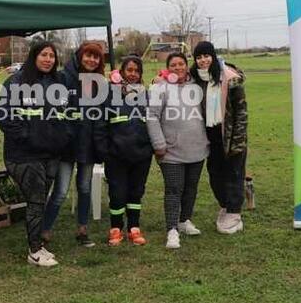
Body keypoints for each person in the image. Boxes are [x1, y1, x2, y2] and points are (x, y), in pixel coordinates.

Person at [0, 41, 72, 267]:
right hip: (24, 155)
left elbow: (67, 114)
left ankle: (38, 243)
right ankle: (34, 251)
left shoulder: (58, 83)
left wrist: (62, 137)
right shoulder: (16, 82)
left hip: (52, 154)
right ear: (34, 56)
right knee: (36, 200)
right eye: (43, 55)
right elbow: (4, 117)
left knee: (40, 200)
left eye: (51, 55)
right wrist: (30, 137)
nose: (48, 59)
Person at [41, 41, 105, 248]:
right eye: (88, 55)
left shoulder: (98, 82)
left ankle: (82, 229)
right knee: (60, 191)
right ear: (79, 55)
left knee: (84, 187)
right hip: (66, 145)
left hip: (87, 144)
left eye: (96, 57)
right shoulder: (62, 78)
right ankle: (44, 230)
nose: (92, 60)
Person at [146, 52, 209, 249]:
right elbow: (152, 117)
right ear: (167, 68)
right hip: (171, 151)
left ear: (187, 65)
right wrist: (159, 144)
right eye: (173, 65)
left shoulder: (196, 86)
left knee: (191, 188)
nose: (178, 68)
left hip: (197, 149)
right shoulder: (160, 88)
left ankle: (184, 220)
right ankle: (172, 229)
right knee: (174, 189)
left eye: (181, 64)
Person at [94, 55, 153, 246]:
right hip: (116, 155)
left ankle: (134, 228)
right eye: (129, 70)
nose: (133, 74)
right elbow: (100, 124)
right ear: (122, 72)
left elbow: (154, 122)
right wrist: (104, 151)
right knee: (118, 193)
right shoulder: (110, 94)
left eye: (137, 70)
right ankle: (116, 228)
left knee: (136, 192)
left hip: (142, 154)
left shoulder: (147, 95)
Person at [190, 41, 248, 234]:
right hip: (209, 136)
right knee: (215, 174)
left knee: (233, 173)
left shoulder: (230, 78)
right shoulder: (195, 79)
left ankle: (234, 211)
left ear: (213, 56)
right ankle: (225, 204)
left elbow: (241, 112)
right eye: (199, 57)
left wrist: (238, 140)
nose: (203, 60)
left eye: (206, 56)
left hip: (231, 135)